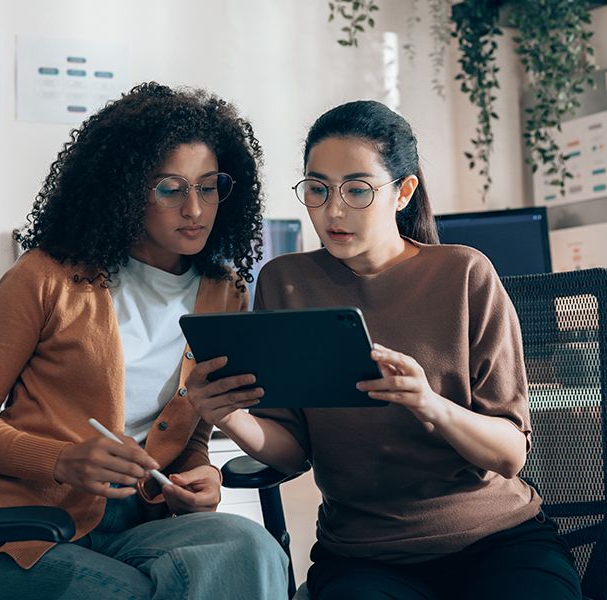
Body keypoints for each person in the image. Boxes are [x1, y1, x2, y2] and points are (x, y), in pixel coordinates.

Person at [185, 100, 583, 600]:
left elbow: (508, 456)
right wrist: (231, 416)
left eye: (357, 190)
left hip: (498, 541)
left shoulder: (464, 274)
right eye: (318, 189)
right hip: (364, 556)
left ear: (403, 192)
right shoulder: (286, 283)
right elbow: (291, 451)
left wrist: (430, 404)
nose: (333, 211)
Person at [0, 82, 288, 600]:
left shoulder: (224, 293)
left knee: (251, 547)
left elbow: (187, 433)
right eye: (171, 188)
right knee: (136, 593)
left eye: (209, 186)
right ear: (124, 191)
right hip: (18, 533)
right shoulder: (44, 277)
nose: (195, 208)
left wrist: (200, 474)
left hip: (135, 527)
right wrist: (61, 460)